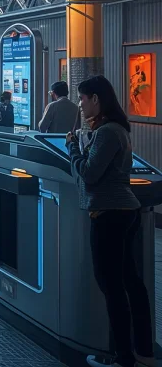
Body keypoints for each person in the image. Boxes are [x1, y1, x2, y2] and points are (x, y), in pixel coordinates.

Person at [67, 76, 153, 367]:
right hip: (123, 213)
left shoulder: (107, 132)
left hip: (109, 215)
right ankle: (142, 350)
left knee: (112, 285)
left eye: (83, 98)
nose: (80, 104)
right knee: (130, 281)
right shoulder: (116, 130)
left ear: (96, 99)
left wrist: (74, 149)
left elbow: (90, 175)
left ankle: (123, 357)